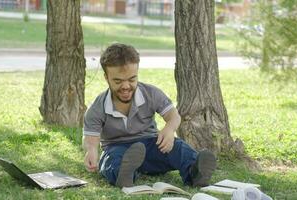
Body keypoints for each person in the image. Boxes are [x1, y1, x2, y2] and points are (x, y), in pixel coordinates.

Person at [82, 43, 217, 187]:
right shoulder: (98, 107)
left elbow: (174, 116)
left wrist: (169, 129)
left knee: (178, 147)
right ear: (106, 77)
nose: (126, 86)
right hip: (117, 147)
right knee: (111, 160)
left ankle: (195, 172)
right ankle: (123, 175)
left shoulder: (151, 93)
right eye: (118, 81)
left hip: (151, 146)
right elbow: (91, 138)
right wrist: (91, 151)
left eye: (132, 79)